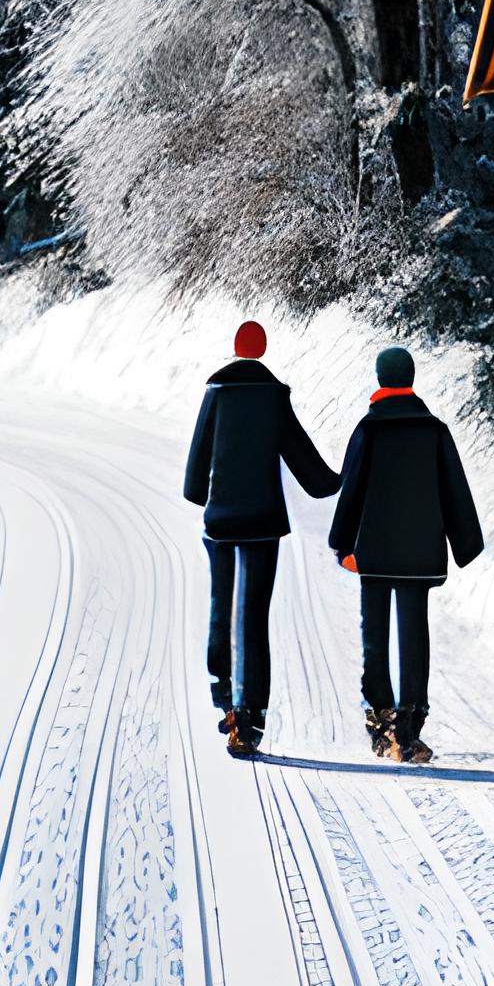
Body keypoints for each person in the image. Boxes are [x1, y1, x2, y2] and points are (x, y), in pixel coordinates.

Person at [183, 318, 339, 758]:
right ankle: (250, 720)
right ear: (263, 349)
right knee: (252, 618)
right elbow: (304, 461)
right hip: (263, 522)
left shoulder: (215, 393)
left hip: (222, 520)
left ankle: (223, 695)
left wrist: (205, 495)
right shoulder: (274, 397)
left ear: (235, 349)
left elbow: (195, 476)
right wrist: (342, 480)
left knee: (220, 607)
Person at [329, 343, 484, 764]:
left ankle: (381, 720)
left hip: (375, 555)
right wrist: (465, 543)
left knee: (374, 636)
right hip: (419, 555)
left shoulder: (369, 429)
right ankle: (410, 727)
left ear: (381, 380)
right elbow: (455, 490)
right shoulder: (434, 430)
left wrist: (342, 544)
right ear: (410, 379)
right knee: (415, 636)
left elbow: (352, 491)